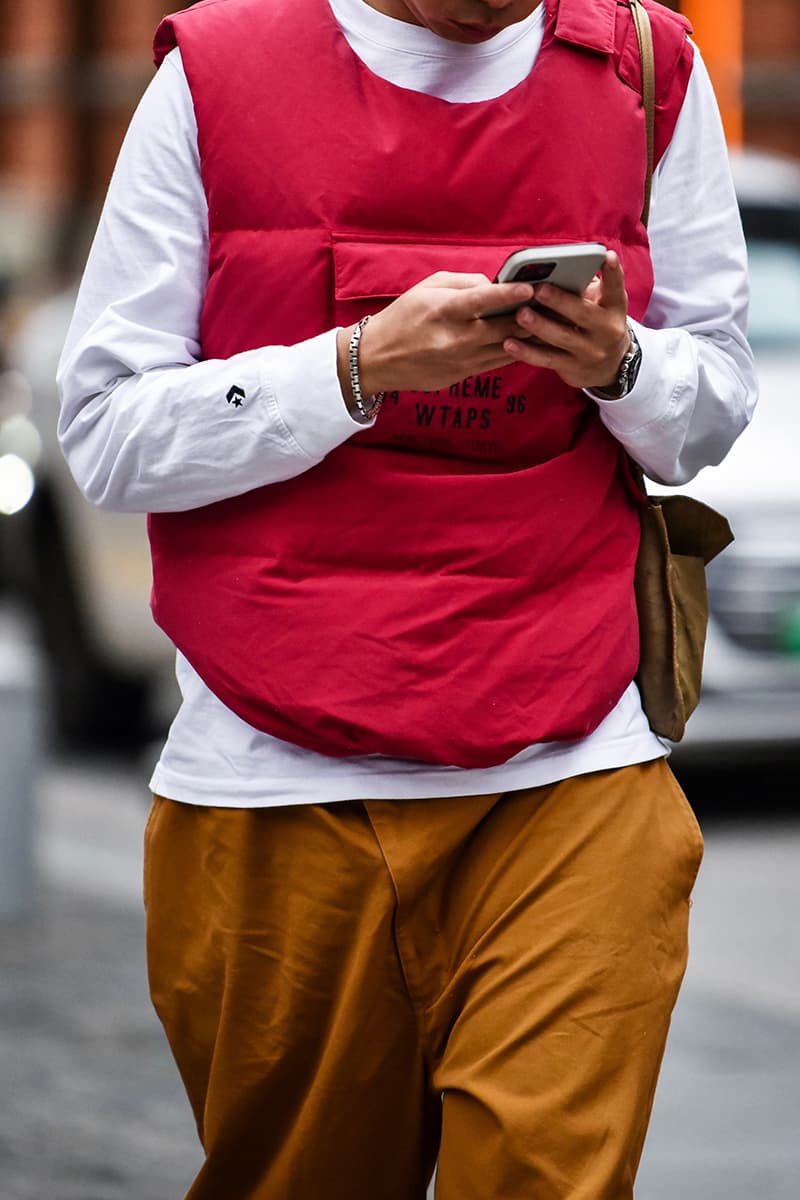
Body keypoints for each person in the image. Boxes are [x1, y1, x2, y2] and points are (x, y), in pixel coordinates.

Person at [56, 0, 756, 1195]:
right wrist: (358, 367)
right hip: (280, 781)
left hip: (571, 767)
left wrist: (619, 362)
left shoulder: (647, 71)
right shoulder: (216, 74)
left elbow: (713, 399)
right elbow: (107, 436)